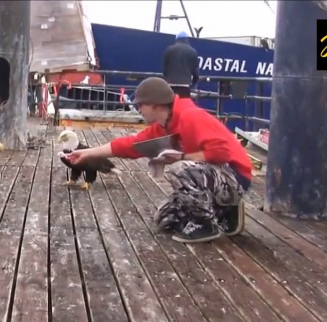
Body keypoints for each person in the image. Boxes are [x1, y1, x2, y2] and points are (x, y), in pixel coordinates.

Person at [64, 77, 253, 243]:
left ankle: (207, 224)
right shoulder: (164, 125)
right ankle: (224, 210)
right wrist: (86, 153)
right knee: (165, 220)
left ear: (155, 104)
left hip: (235, 177)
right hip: (213, 179)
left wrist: (182, 157)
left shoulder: (190, 116)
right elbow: (129, 145)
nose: (139, 110)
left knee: (179, 169)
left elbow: (221, 153)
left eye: (141, 105)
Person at [162, 31, 200, 99]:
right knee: (183, 106)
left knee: (171, 105)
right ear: (187, 39)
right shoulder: (192, 51)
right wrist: (193, 84)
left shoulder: (169, 50)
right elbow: (196, 72)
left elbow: (165, 70)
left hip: (170, 84)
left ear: (177, 40)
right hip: (185, 85)